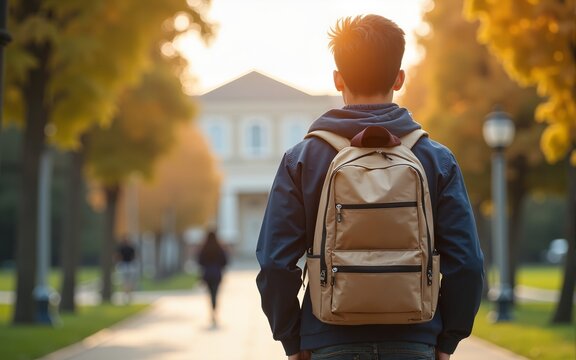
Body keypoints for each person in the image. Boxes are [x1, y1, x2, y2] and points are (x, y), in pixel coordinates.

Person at [256, 15, 484, 360]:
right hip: (415, 340)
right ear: (399, 78)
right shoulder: (436, 159)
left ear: (337, 79)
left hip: (327, 339)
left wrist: (292, 340)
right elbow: (467, 264)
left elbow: (275, 264)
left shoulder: (301, 160)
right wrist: (447, 340)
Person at [197, 230, 228, 328]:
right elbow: (225, 261)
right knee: (215, 293)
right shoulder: (219, 248)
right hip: (217, 274)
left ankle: (212, 311)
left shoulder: (204, 248)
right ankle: (214, 311)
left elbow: (200, 261)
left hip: (207, 274)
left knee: (210, 294)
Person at [115, 237, 138, 304]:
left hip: (124, 265)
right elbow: (135, 256)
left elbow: (118, 257)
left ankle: (126, 295)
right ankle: (129, 296)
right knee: (129, 282)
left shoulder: (121, 248)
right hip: (129, 265)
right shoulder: (131, 248)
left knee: (125, 282)